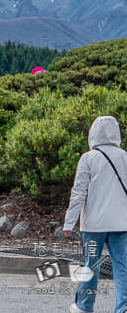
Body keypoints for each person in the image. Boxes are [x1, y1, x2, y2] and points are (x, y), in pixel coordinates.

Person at [63, 115, 127, 313]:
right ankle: (123, 307)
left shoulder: (88, 158)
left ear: (93, 133)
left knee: (91, 265)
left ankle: (84, 306)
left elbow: (79, 193)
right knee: (122, 267)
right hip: (121, 224)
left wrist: (69, 223)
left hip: (93, 226)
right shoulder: (125, 157)